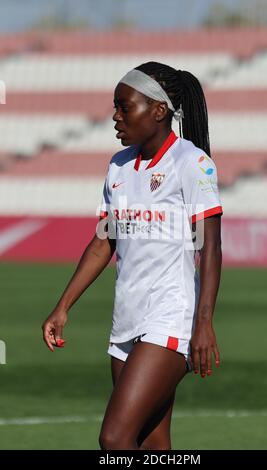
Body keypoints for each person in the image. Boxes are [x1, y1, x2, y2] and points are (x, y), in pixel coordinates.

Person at [42, 61, 223, 450]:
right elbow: (103, 241)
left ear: (159, 111)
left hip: (170, 317)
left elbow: (209, 247)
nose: (115, 116)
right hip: (127, 318)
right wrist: (63, 307)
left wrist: (203, 323)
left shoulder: (192, 164)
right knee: (151, 444)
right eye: (115, 106)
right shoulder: (118, 166)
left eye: (125, 107)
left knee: (114, 438)